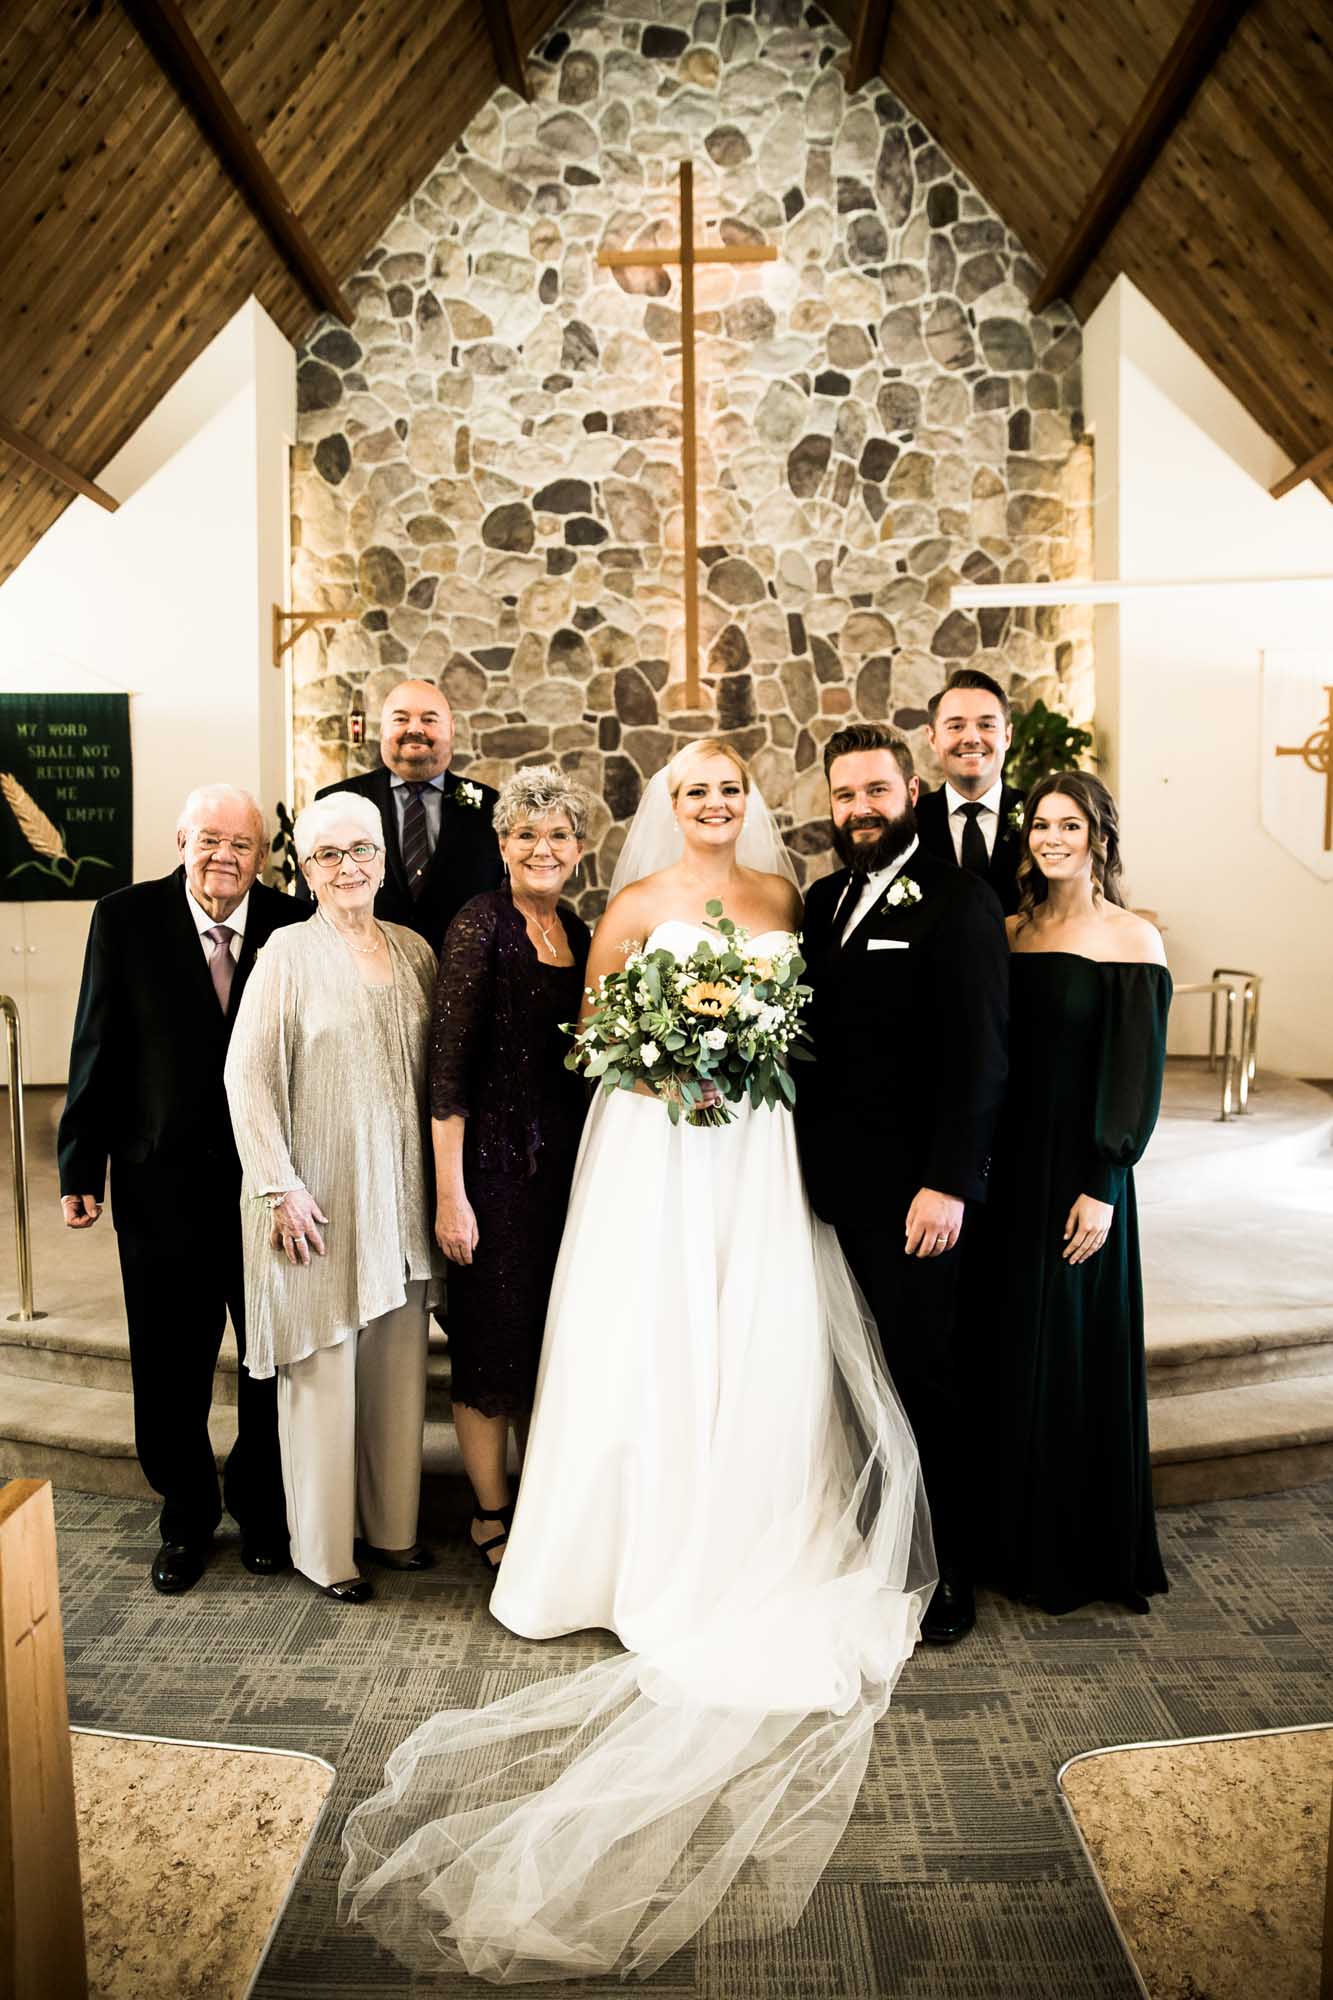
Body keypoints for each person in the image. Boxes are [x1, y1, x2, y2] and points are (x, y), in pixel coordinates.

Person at [341, 739, 933, 1983]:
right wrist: (669, 1055)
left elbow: (809, 1025)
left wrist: (741, 1050)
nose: (712, 803)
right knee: (643, 1328)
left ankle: (745, 1524)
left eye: (728, 788)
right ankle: (613, 1546)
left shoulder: (786, 899)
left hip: (753, 1142)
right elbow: (593, 1033)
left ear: (748, 802)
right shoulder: (630, 903)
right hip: (656, 1142)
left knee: (755, 1321)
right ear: (670, 804)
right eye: (692, 789)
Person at [57, 784, 307, 1594]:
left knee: (269, 1359)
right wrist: (79, 1164)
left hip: (267, 1185)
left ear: (262, 855)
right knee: (170, 1364)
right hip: (158, 1181)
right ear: (180, 842)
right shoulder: (124, 918)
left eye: (241, 843)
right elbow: (96, 1039)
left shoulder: (292, 924)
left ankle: (264, 1510)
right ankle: (186, 1515)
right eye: (209, 839)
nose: (224, 856)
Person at [797, 723, 1009, 1645]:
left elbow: (981, 1055)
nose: (860, 810)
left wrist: (949, 1182)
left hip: (917, 1196)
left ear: (911, 793)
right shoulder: (823, 899)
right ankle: (878, 1543)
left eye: (876, 791)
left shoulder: (960, 900)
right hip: (826, 1188)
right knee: (856, 1378)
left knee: (924, 1374)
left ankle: (947, 1565)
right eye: (845, 795)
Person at [223, 793, 443, 1602]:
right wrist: (277, 1187)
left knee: (396, 1374)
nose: (347, 866)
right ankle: (324, 1553)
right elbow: (246, 1077)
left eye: (361, 850)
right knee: (321, 1377)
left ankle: (391, 1529)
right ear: (306, 871)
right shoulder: (285, 952)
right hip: (313, 1200)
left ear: (383, 860)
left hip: (401, 1200)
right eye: (327, 854)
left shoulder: (415, 951)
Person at [977, 771, 1170, 1615]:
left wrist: (1104, 1182)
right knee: (1008, 1346)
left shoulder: (1131, 938)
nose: (1051, 839)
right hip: (1006, 1173)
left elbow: (1135, 1076)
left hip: (1080, 1178)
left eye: (1069, 825)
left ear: (1099, 837)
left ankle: (1071, 1551)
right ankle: (1007, 1541)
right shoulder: (1009, 931)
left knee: (1068, 1352)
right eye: (1040, 825)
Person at [429, 766, 592, 1571]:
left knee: (547, 1343)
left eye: (557, 834)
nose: (541, 849)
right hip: (490, 1175)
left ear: (579, 849)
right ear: (502, 844)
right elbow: (446, 1073)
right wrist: (450, 1196)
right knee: (490, 1347)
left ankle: (540, 1499)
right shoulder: (478, 924)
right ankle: (490, 1513)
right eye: (525, 834)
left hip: (566, 1174)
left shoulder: (579, 932)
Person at [300, 679, 502, 947]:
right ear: (383, 729)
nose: (415, 728)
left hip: (464, 966)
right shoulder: (335, 800)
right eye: (401, 719)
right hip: (359, 963)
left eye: (429, 719)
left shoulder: (491, 807)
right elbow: (308, 901)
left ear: (452, 729)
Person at [916, 668, 1026, 914]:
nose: (972, 738)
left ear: (1007, 736)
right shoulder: (909, 821)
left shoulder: (1039, 814)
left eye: (986, 725)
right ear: (932, 737)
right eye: (956, 726)